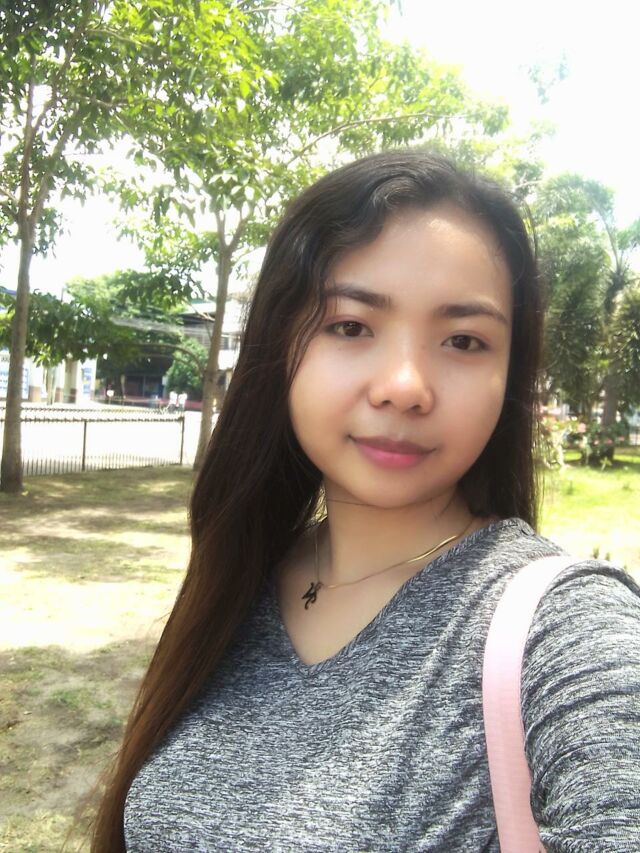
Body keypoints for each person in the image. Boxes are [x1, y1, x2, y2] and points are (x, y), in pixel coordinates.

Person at [93, 151, 640, 852]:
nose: (404, 386)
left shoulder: (566, 628)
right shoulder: (244, 573)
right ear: (280, 346)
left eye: (464, 340)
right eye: (351, 326)